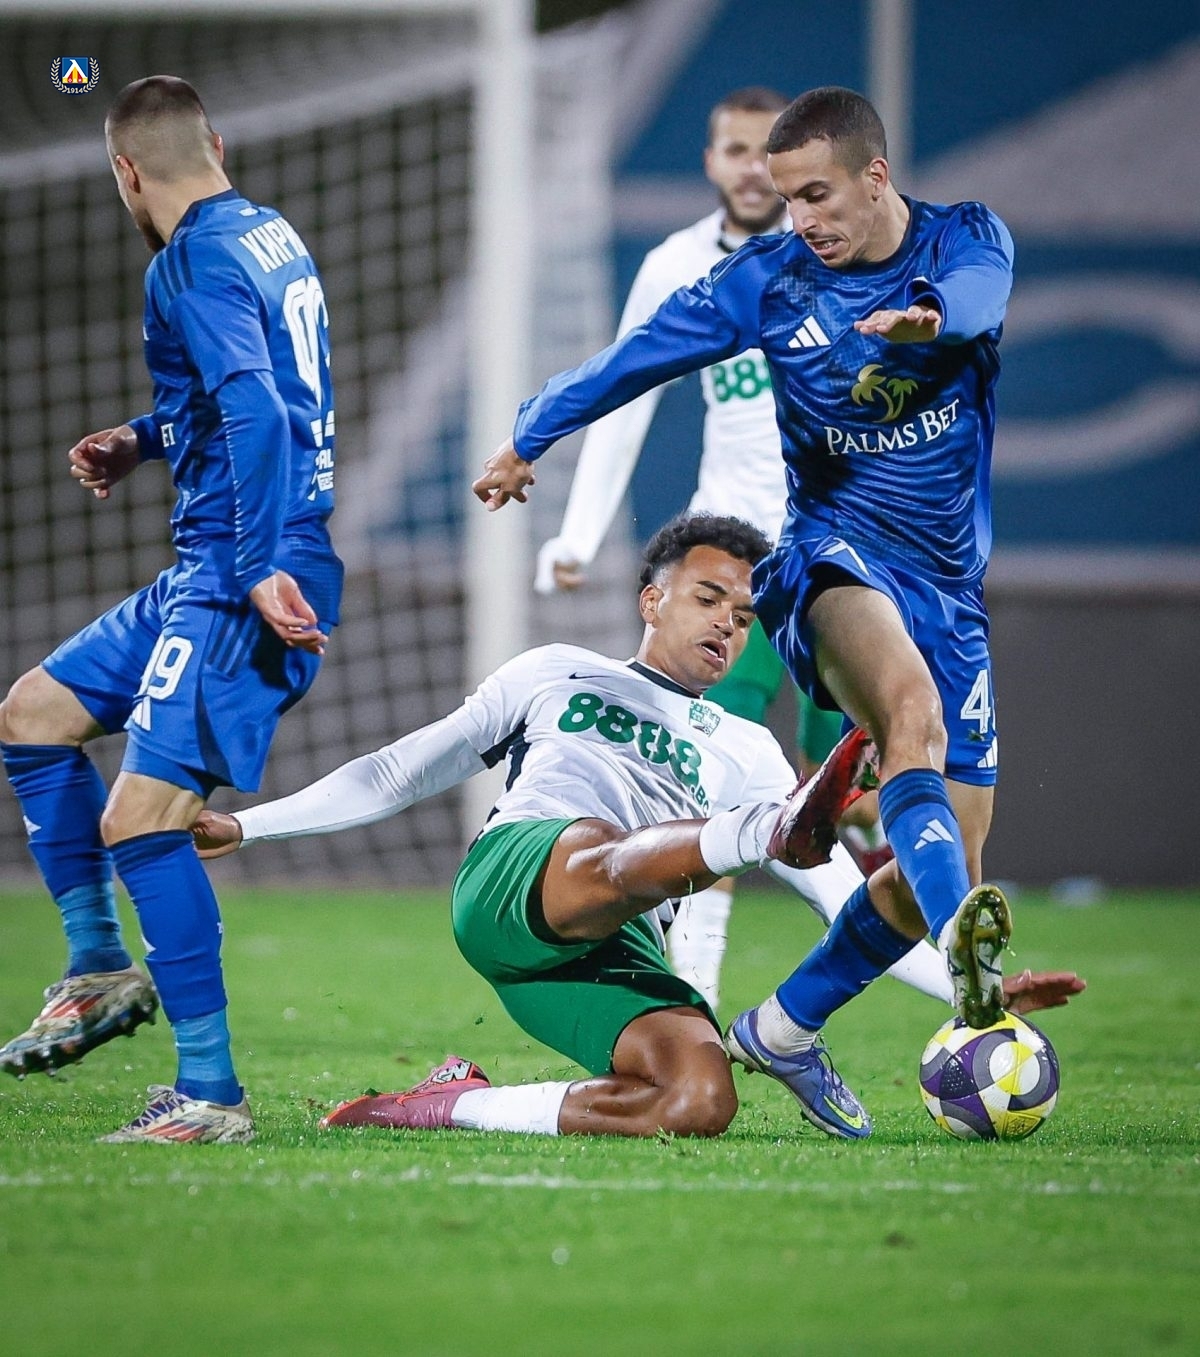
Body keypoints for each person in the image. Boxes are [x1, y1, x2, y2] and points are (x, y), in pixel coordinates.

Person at [473, 86, 1041, 1071]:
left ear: (875, 175)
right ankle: (968, 962)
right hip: (826, 559)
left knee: (931, 863)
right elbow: (639, 358)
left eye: (818, 195)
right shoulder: (769, 280)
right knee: (907, 714)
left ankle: (779, 1028)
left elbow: (981, 296)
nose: (802, 220)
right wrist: (531, 433)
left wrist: (932, 321)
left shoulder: (963, 240)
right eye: (789, 200)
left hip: (948, 588)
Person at [194, 515, 1081, 1141]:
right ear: (652, 600)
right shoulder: (555, 671)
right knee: (609, 854)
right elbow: (400, 769)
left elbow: (841, 898)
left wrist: (970, 982)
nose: (727, 624)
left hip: (608, 946)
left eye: (745, 617)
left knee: (700, 1097)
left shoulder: (745, 745)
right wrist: (248, 825)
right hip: (522, 878)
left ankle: (442, 1103)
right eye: (708, 598)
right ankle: (765, 833)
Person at [0, 76, 343, 1145]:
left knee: (140, 819)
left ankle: (209, 1096)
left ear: (125, 172)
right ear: (217, 146)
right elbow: (253, 392)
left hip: (244, 569)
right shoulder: (268, 234)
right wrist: (142, 440)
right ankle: (99, 967)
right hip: (219, 563)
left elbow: (258, 409)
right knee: (33, 714)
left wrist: (256, 565)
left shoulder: (185, 259)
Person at [535, 85, 889, 1012]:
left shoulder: (845, 256)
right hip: (734, 560)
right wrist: (579, 531)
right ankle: (691, 997)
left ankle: (885, 885)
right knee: (707, 782)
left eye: (762, 152)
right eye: (732, 149)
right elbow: (628, 392)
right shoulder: (679, 264)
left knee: (845, 781)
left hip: (838, 556)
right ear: (711, 161)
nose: (748, 169)